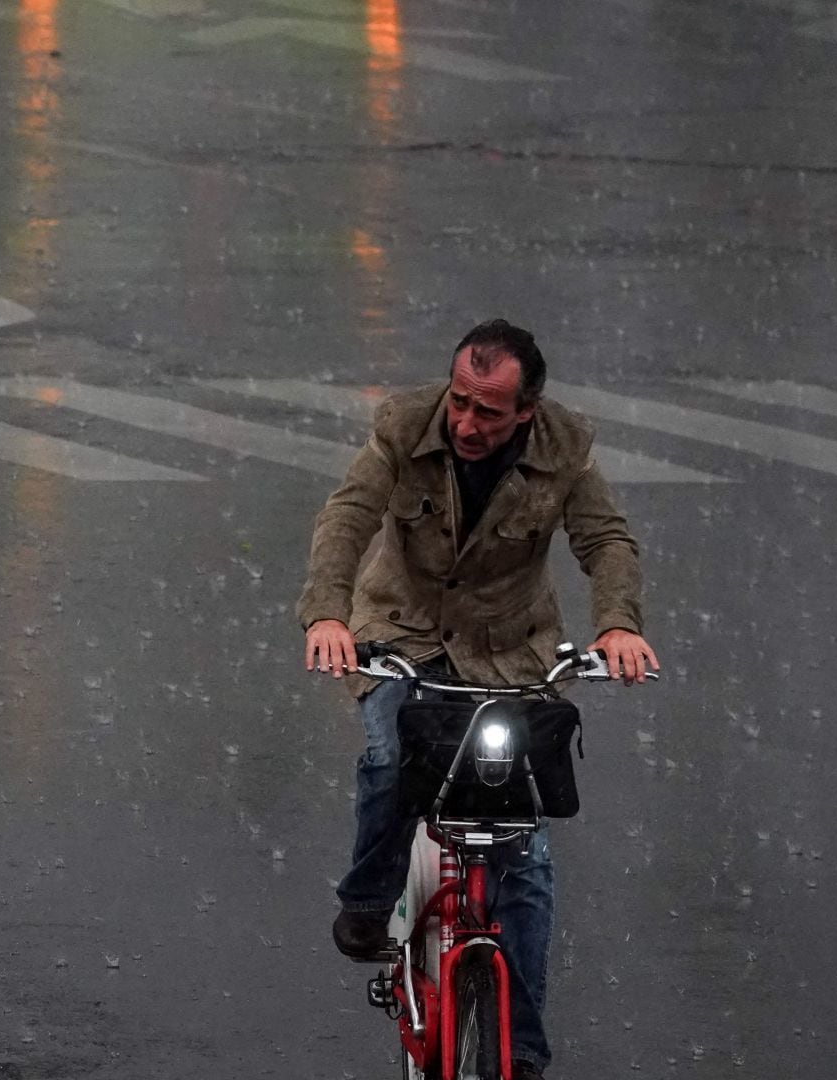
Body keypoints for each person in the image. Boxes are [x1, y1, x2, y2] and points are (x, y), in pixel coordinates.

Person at [297, 319, 659, 1079]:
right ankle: (369, 895)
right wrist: (327, 615)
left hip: (511, 654)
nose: (466, 421)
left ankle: (521, 1047)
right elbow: (348, 516)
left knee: (525, 859)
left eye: (489, 410)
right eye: (461, 400)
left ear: (526, 410)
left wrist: (618, 628)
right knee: (391, 752)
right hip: (403, 635)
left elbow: (607, 541)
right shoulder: (405, 427)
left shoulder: (564, 449)